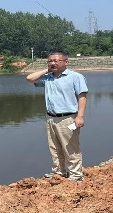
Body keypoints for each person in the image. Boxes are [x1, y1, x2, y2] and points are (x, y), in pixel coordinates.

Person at [25, 52, 88, 181]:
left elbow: (82, 97)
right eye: (50, 61)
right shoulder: (48, 78)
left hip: (68, 118)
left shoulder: (75, 77)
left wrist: (80, 116)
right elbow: (30, 78)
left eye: (56, 61)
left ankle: (76, 174)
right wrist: (47, 70)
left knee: (70, 147)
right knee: (54, 147)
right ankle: (59, 172)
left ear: (66, 62)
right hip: (51, 118)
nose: (53, 63)